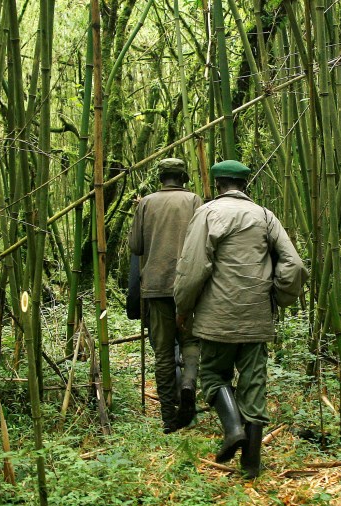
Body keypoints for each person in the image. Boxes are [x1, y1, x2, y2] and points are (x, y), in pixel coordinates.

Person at [173, 160, 307, 478]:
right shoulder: (264, 215)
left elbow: (193, 268)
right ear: (244, 185)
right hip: (257, 317)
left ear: (217, 184)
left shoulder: (207, 213)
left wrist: (183, 306)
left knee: (214, 377)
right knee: (254, 386)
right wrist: (277, 298)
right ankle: (251, 466)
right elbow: (294, 265)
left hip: (216, 317)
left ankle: (233, 429)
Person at [128, 158, 203, 433]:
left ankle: (169, 418)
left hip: (156, 286)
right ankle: (188, 384)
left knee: (162, 354)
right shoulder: (195, 201)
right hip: (190, 284)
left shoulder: (146, 203)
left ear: (161, 178)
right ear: (183, 176)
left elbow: (135, 245)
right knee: (191, 341)